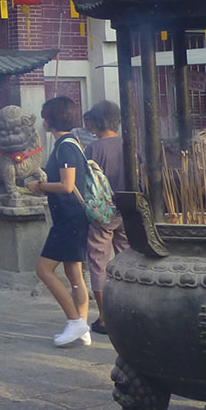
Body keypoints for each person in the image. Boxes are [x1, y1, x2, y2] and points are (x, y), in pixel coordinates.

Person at [34, 97, 93, 348]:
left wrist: (39, 186)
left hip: (69, 219)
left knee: (44, 270)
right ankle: (82, 327)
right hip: (74, 217)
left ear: (49, 120)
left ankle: (75, 320)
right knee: (73, 272)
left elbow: (67, 186)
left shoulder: (65, 146)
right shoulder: (71, 143)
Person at [82, 100, 128, 335]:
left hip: (102, 213)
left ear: (97, 122)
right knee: (127, 259)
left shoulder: (94, 149)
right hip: (128, 210)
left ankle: (104, 318)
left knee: (99, 264)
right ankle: (129, 310)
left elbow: (87, 185)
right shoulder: (129, 144)